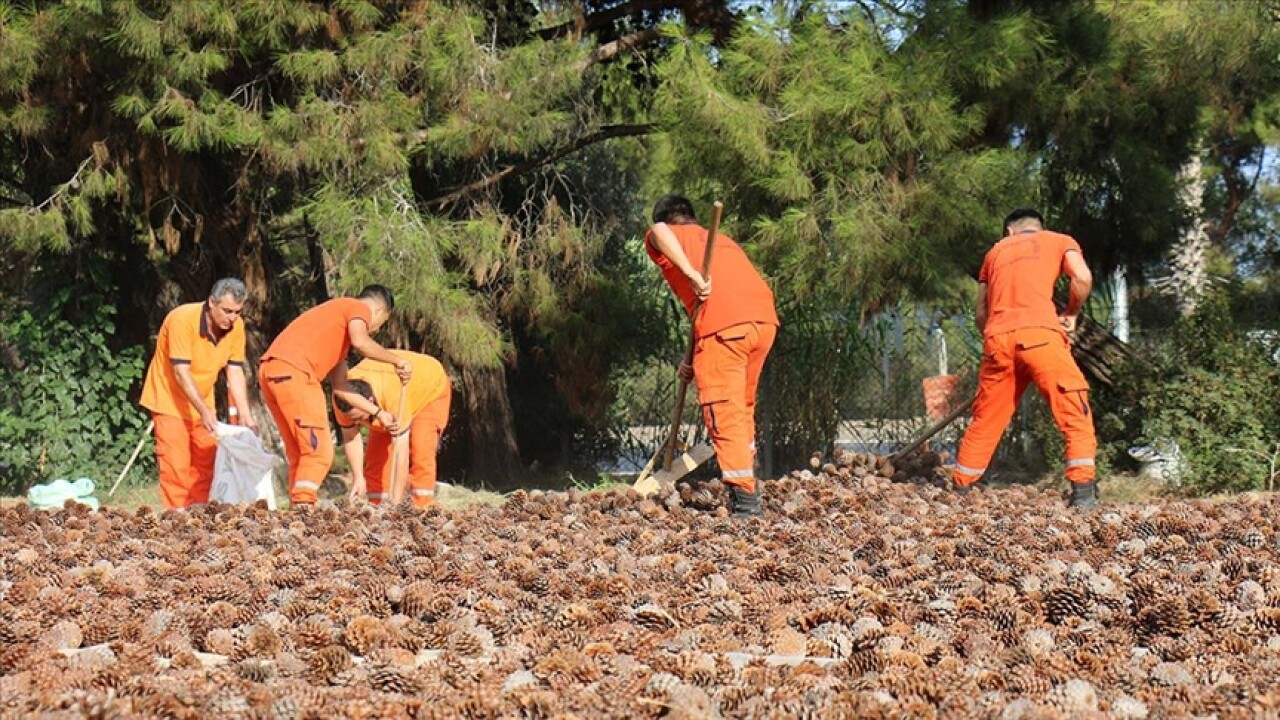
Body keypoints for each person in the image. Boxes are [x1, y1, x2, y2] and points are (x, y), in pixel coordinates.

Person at [952, 208, 1099, 508]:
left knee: (986, 419)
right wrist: (1070, 312)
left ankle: (960, 491)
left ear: (1009, 232)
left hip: (998, 340)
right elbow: (1082, 277)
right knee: (1073, 408)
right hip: (1041, 336)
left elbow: (981, 311)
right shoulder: (1059, 241)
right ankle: (1083, 494)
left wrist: (995, 341)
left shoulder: (994, 253)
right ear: (1039, 228)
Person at [644, 194, 781, 518]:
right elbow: (703, 310)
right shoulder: (721, 241)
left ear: (669, 219)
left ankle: (747, 505)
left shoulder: (669, 237)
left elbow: (658, 231)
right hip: (761, 323)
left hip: (726, 329)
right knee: (742, 410)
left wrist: (691, 273)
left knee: (724, 411)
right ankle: (747, 486)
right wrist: (692, 359)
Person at [258, 285, 411, 507]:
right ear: (379, 310)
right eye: (382, 323)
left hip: (271, 373)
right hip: (296, 372)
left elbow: (340, 387)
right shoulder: (357, 307)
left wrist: (378, 413)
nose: (376, 330)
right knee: (319, 452)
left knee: (301, 453)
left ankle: (296, 510)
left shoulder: (337, 333)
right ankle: (303, 510)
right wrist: (397, 361)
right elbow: (362, 342)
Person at [139, 278, 257, 509]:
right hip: (168, 400)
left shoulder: (236, 327)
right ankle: (177, 520)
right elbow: (181, 372)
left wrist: (246, 414)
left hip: (203, 401)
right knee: (177, 467)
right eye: (227, 311)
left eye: (237, 312)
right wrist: (203, 409)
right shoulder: (182, 319)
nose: (232, 318)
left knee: (206, 464)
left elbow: (234, 371)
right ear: (211, 302)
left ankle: (201, 520)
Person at [332, 350, 452, 508]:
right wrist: (358, 477)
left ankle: (422, 506)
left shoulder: (393, 395)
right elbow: (351, 437)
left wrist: (396, 501)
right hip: (381, 404)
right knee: (376, 454)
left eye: (360, 418)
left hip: (430, 389)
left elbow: (400, 452)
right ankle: (376, 504)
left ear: (369, 401)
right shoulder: (342, 396)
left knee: (420, 446)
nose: (357, 423)